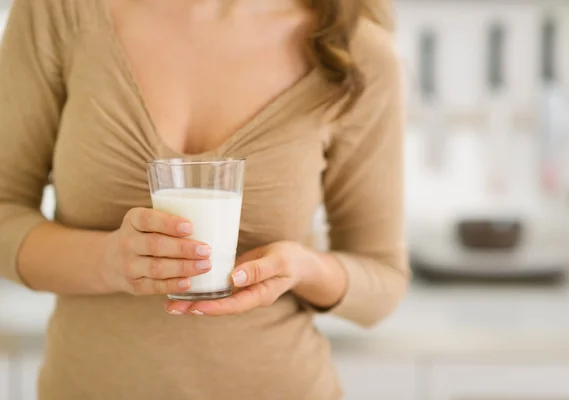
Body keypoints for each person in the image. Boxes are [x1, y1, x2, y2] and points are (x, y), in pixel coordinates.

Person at [0, 0, 409, 398]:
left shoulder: (356, 51)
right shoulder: (57, 10)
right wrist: (107, 261)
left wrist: (303, 268)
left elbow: (383, 283)